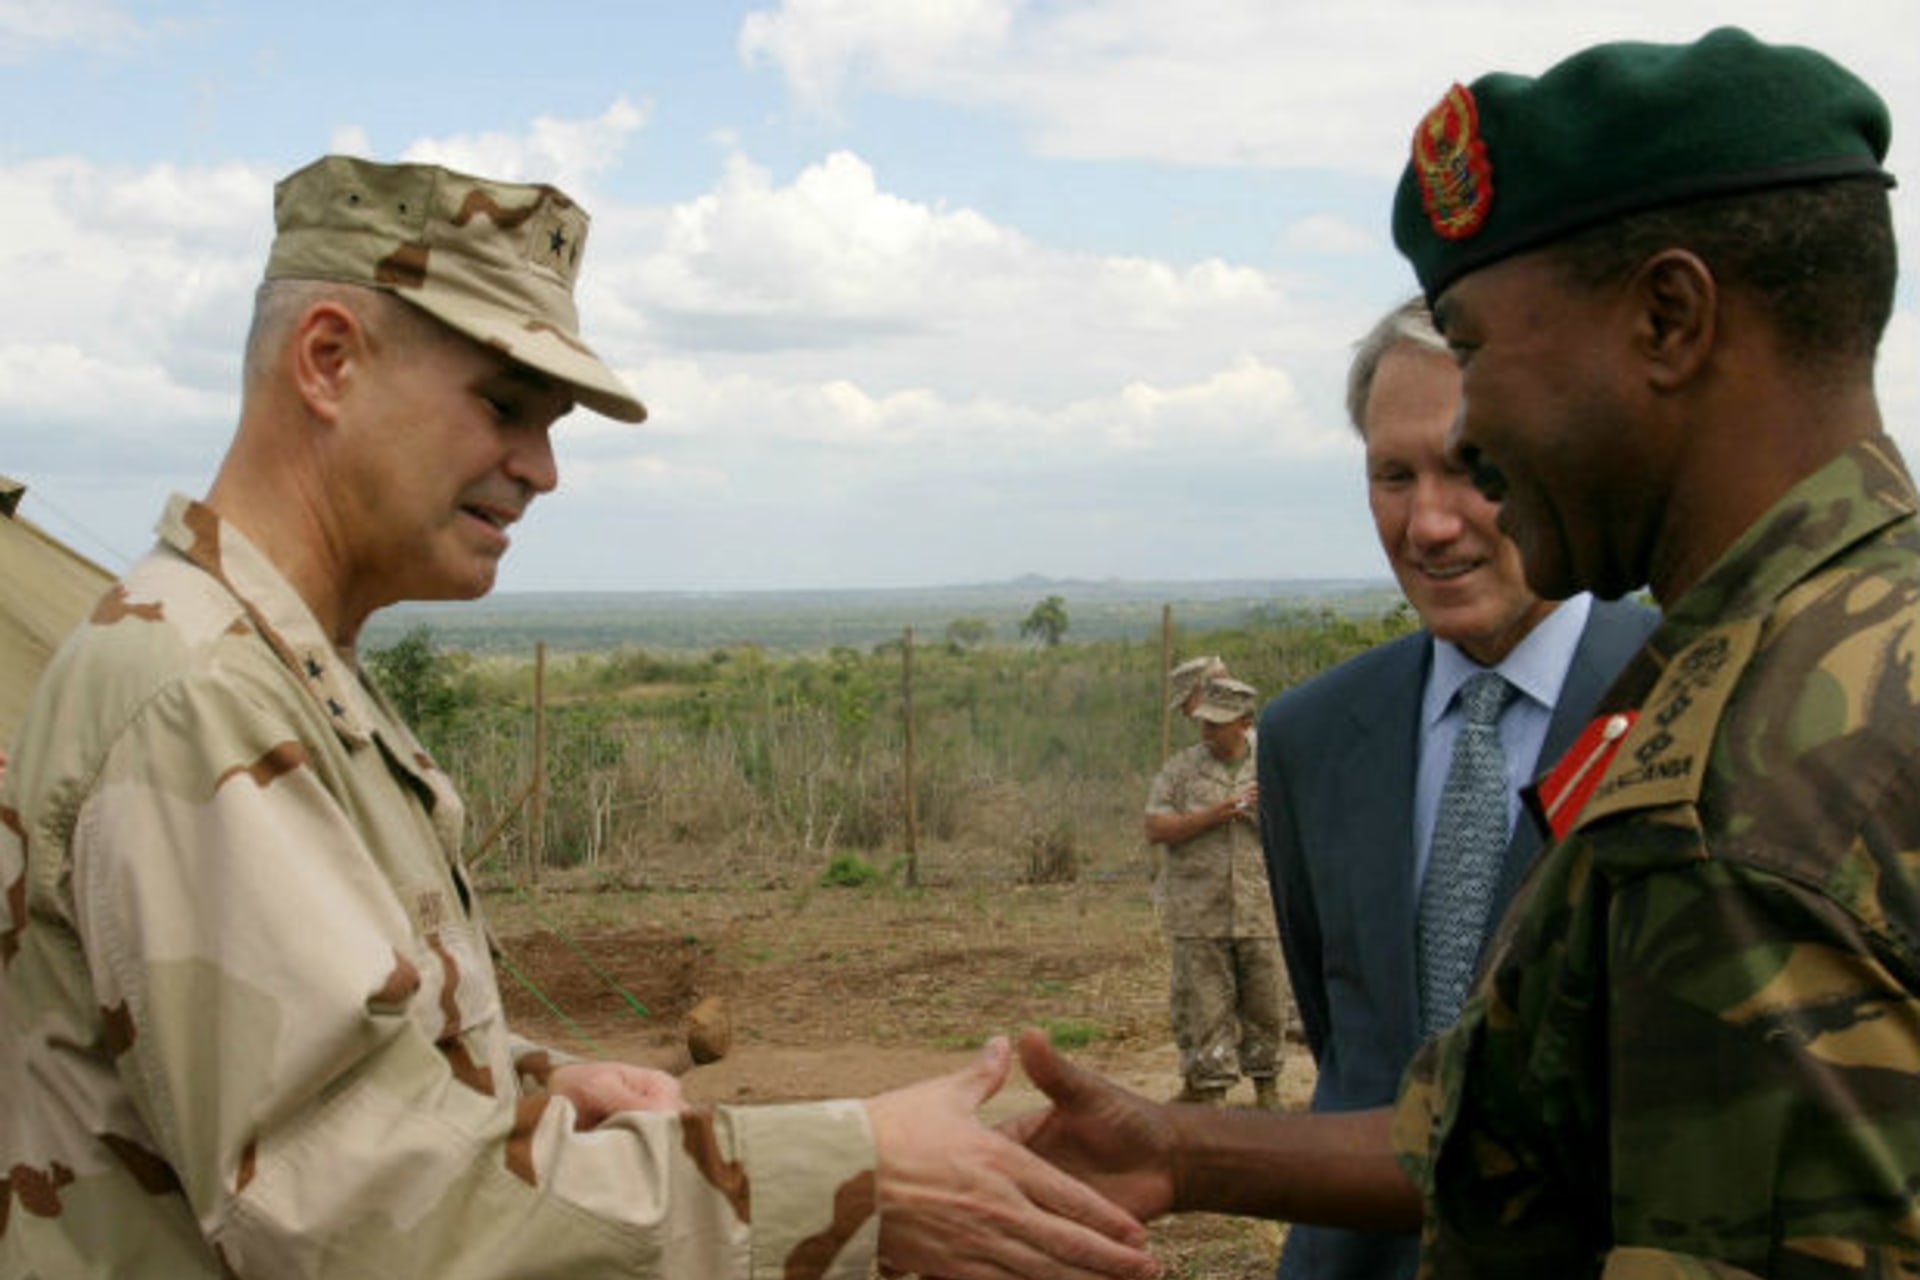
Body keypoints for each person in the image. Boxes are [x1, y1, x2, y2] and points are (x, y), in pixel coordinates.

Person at [0, 155, 1155, 1280]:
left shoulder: (282, 665)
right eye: (505, 405)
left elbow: (306, 1062)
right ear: (330, 360)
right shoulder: (202, 692)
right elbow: (347, 1214)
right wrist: (856, 1178)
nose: (542, 468)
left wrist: (530, 1077)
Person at [1010, 27, 1920, 1277]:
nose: (1471, 426)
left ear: (1669, 319)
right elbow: (1520, 1120)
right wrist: (1184, 1148)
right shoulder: (1824, 642)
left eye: (1480, 347)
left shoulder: (1745, 792)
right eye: (1395, 465)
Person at [1257, 298, 1655, 1278]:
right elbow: (1350, 1033)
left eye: (1474, 466)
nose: (1428, 523)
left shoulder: (1692, 702)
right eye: (1393, 474)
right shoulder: (1310, 737)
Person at [1145, 674, 1284, 1109]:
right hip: (1198, 909)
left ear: (1244, 722)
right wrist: (1215, 814)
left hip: (1260, 908)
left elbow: (1301, 832)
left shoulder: (1274, 766)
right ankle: (1211, 1095)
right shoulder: (1181, 769)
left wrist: (1264, 812)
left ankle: (1268, 1092)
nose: (1207, 730)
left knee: (1267, 1003)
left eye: (1217, 722)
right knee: (1203, 1006)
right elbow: (1156, 826)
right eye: (1204, 721)